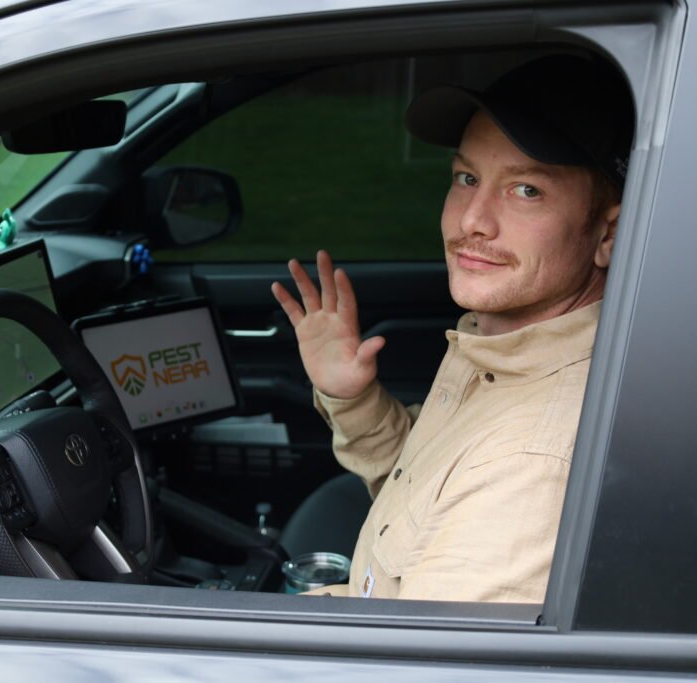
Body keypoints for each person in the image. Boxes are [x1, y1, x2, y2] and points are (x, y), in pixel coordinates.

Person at [270, 54, 633, 602]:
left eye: (526, 190)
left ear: (607, 234)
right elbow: (428, 492)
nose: (471, 222)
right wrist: (353, 398)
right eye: (467, 178)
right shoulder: (504, 347)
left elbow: (410, 662)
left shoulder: (529, 466)